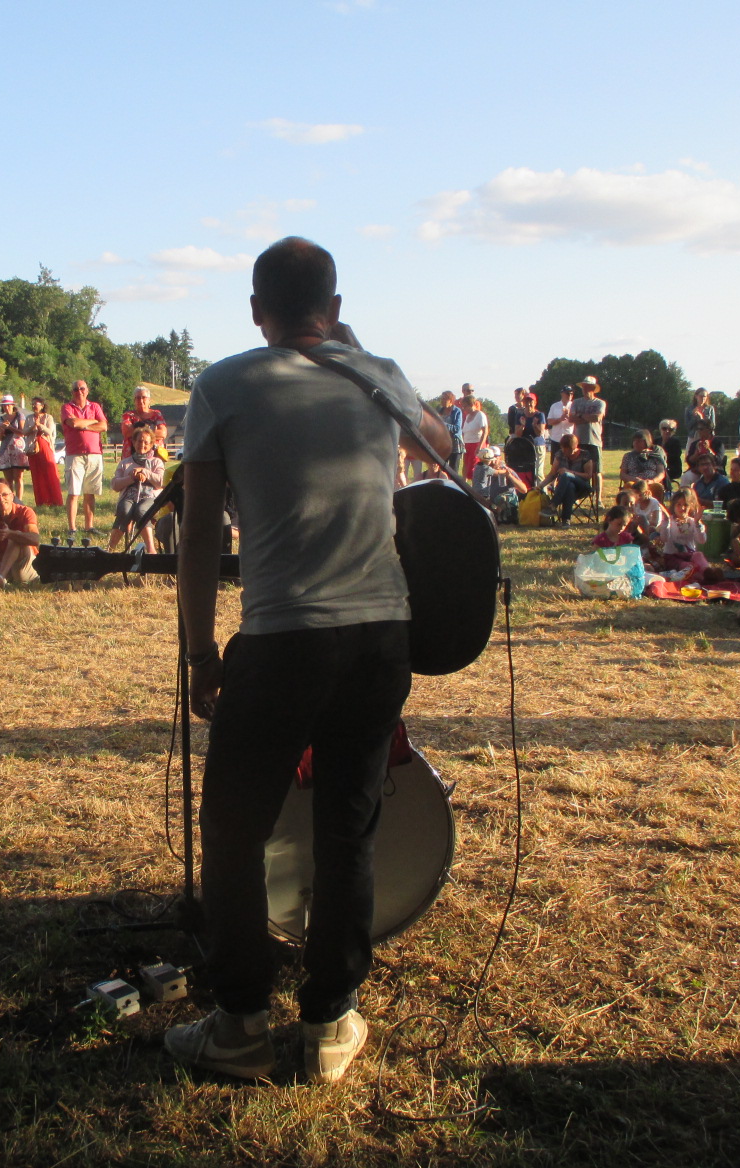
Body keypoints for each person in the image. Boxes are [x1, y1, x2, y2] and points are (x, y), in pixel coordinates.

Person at [170, 236, 452, 1085]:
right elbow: (446, 450)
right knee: (348, 829)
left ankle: (240, 1025)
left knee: (233, 833)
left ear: (257, 311)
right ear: (333, 307)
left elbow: (198, 534)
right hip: (380, 636)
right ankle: (330, 1023)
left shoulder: (222, 385)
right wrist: (365, 360)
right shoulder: (376, 375)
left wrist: (200, 650)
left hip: (281, 637)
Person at [61, 379, 108, 535]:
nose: (79, 391)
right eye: (76, 389)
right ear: (72, 392)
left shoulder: (95, 406)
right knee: (74, 493)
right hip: (75, 455)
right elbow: (73, 423)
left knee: (90, 492)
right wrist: (93, 422)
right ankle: (72, 529)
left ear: (87, 390)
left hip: (94, 454)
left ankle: (89, 527)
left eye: (82, 388)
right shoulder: (67, 407)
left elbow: (104, 426)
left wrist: (84, 425)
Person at [109, 426, 166, 552]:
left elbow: (161, 482)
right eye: (139, 441)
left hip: (150, 497)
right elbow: (115, 485)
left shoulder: (157, 462)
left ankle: (151, 550)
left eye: (146, 442)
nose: (142, 444)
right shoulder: (125, 463)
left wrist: (145, 472)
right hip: (129, 497)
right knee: (124, 510)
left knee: (141, 511)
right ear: (134, 442)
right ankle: (110, 550)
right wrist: (131, 478)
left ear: (151, 444)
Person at [539, 433, 598, 525]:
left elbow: (588, 475)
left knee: (566, 475)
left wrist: (570, 472)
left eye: (567, 450)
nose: (564, 452)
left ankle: (553, 505)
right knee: (570, 486)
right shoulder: (560, 454)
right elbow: (552, 474)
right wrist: (540, 486)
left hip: (582, 487)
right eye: (563, 449)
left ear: (575, 447)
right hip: (564, 488)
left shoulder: (585, 455)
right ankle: (566, 520)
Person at [25, 396, 63, 507]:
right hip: (33, 448)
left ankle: (55, 500)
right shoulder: (29, 418)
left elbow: (50, 432)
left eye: (36, 404)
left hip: (45, 446)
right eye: (32, 404)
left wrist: (40, 425)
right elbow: (24, 431)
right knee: (37, 474)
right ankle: (41, 501)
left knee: (50, 472)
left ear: (42, 406)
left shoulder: (48, 417)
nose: (34, 406)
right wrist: (33, 427)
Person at [0, 395, 28, 502]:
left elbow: (22, 433)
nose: (6, 407)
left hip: (18, 449)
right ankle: (10, 500)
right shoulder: (0, 419)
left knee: (18, 477)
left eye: (8, 405)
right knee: (8, 480)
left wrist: (10, 427)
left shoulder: (19, 416)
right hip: (5, 449)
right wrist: (2, 429)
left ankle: (19, 501)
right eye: (4, 406)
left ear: (13, 405)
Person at [569, 376, 606, 477]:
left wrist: (580, 415)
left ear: (593, 388)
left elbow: (597, 417)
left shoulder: (600, 403)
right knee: (579, 469)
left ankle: (597, 488)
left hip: (594, 441)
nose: (584, 389)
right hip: (579, 441)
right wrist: (588, 418)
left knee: (596, 471)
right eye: (583, 387)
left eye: (587, 386)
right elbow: (571, 418)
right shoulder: (576, 402)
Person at [120, 386, 168, 457]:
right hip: (131, 456)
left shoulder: (156, 414)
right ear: (134, 401)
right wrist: (151, 430)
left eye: (144, 397)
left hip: (154, 455)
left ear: (149, 400)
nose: (141, 400)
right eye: (138, 398)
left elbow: (163, 433)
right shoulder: (128, 415)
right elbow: (126, 432)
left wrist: (137, 430)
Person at [618, 430, 668, 496]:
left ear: (646, 442)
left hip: (651, 483)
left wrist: (653, 481)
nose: (636, 443)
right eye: (634, 441)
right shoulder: (628, 456)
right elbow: (622, 474)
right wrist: (634, 479)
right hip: (634, 483)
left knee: (657, 487)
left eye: (639, 441)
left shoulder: (655, 455)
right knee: (629, 485)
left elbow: (661, 473)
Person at [459, 394, 489, 478]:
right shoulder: (468, 416)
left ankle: (474, 484)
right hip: (467, 444)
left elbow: (485, 431)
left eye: (465, 406)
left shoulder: (480, 415)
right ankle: (464, 483)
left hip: (476, 444)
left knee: (474, 468)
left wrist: (479, 446)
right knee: (466, 466)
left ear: (472, 405)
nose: (463, 408)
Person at [658, 418, 684, 482]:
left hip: (672, 468)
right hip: (657, 466)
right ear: (660, 429)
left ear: (673, 431)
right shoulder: (656, 441)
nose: (667, 431)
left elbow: (675, 456)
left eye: (670, 429)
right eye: (664, 428)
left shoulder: (676, 442)